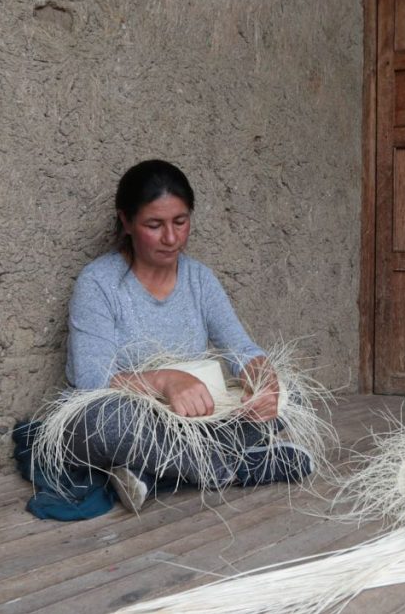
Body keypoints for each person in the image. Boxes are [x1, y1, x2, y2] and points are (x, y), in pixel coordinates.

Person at [64, 160, 314, 511]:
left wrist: (263, 383)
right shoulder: (98, 283)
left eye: (180, 222)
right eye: (154, 225)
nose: (171, 238)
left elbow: (241, 348)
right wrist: (165, 381)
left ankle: (152, 472)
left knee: (293, 395)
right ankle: (237, 467)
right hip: (129, 421)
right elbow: (92, 380)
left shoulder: (199, 279)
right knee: (103, 421)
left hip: (196, 423)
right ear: (126, 221)